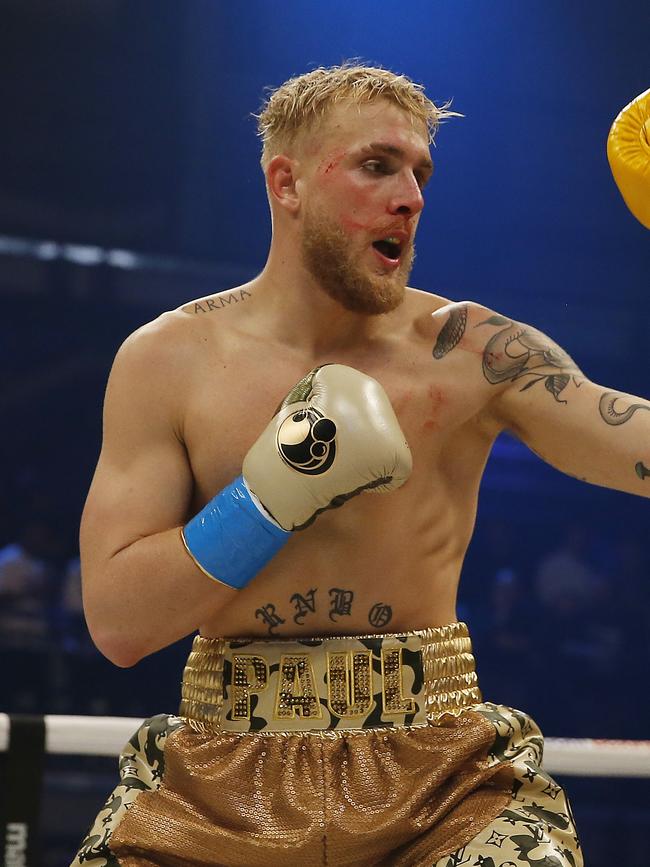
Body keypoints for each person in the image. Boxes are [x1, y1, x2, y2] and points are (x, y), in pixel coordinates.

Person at [73, 64, 648, 867]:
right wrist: (270, 494)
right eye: (379, 165)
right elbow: (120, 624)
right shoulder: (168, 360)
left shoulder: (474, 352)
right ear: (288, 182)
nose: (410, 196)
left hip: (445, 786)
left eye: (421, 173)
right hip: (216, 786)